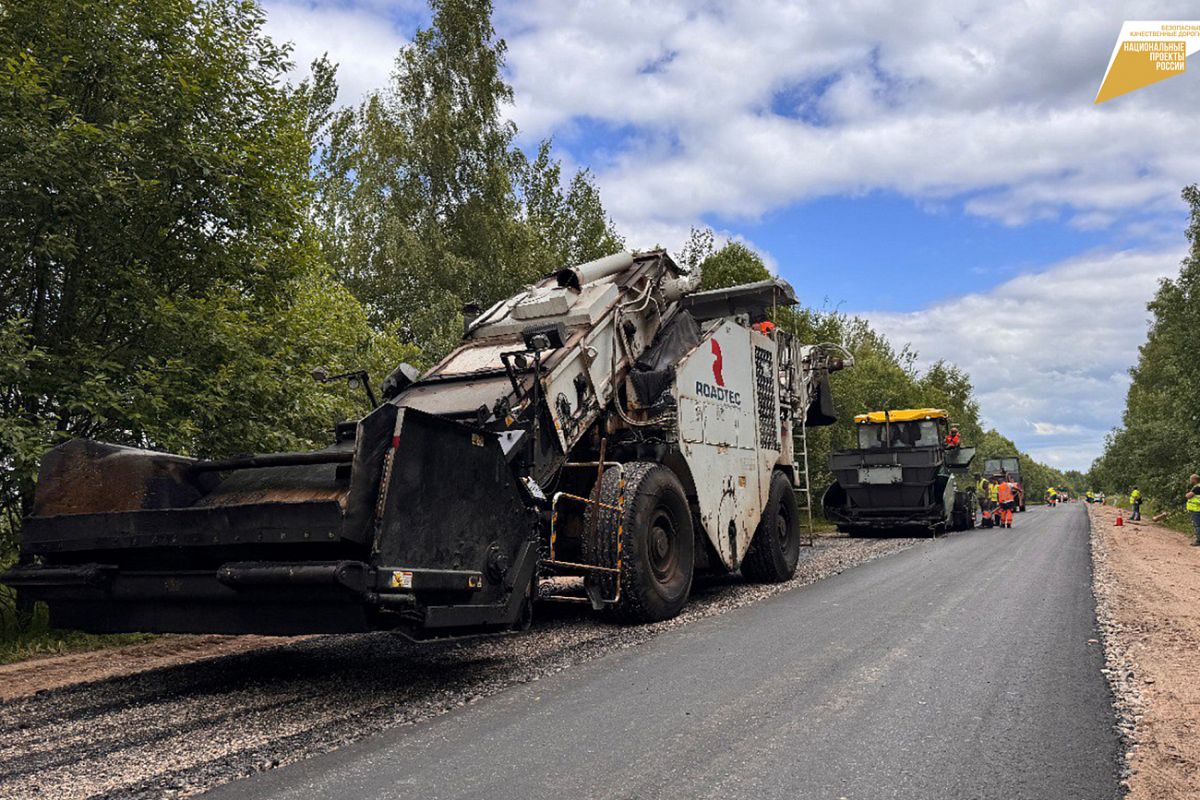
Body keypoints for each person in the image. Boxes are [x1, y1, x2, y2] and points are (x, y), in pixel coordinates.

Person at [1187, 475, 1200, 546]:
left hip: (1196, 509)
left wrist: (1187, 494)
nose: (1190, 480)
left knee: (1197, 525)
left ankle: (1198, 541)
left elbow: (1188, 496)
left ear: (1194, 480)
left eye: (1191, 479)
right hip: (1197, 508)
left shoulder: (1197, 487)